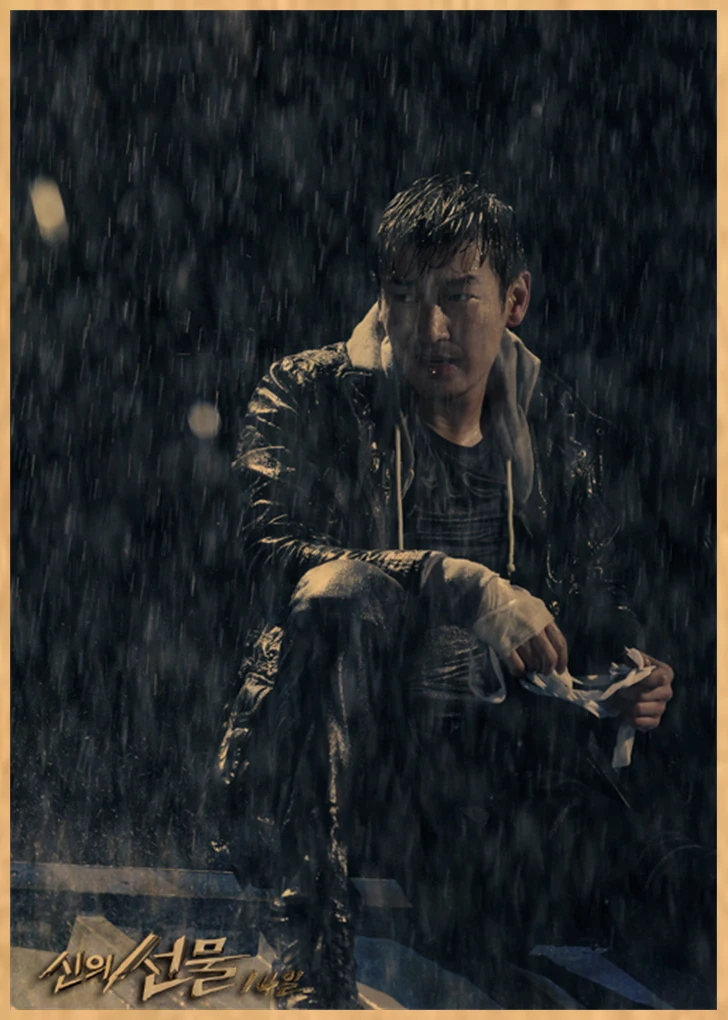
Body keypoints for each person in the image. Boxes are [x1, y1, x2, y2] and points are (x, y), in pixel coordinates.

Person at [215, 174, 675, 1008]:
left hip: (491, 781)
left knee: (677, 884)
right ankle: (313, 961)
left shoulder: (555, 424)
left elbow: (597, 599)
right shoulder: (310, 394)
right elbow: (266, 554)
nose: (430, 328)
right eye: (404, 295)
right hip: (352, 774)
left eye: (459, 297)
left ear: (515, 301)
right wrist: (453, 581)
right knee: (336, 591)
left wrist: (628, 679)